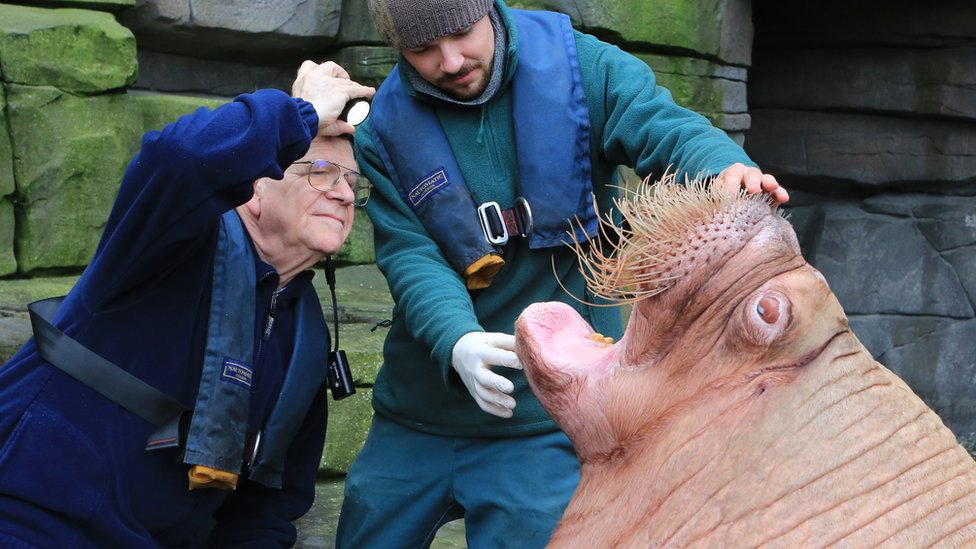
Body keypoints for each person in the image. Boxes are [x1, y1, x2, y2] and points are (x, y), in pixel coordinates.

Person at [336, 0, 791, 547]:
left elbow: (666, 130)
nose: (451, 61)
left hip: (546, 416)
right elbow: (411, 254)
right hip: (418, 413)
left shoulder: (584, 68)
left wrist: (724, 169)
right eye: (423, 49)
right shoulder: (383, 127)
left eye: (460, 33)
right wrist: (457, 339)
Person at [0, 61, 374, 547]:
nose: (344, 193)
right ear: (256, 186)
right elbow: (176, 157)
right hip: (30, 517)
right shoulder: (168, 242)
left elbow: (268, 505)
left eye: (351, 181)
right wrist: (298, 114)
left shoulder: (304, 335)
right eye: (321, 171)